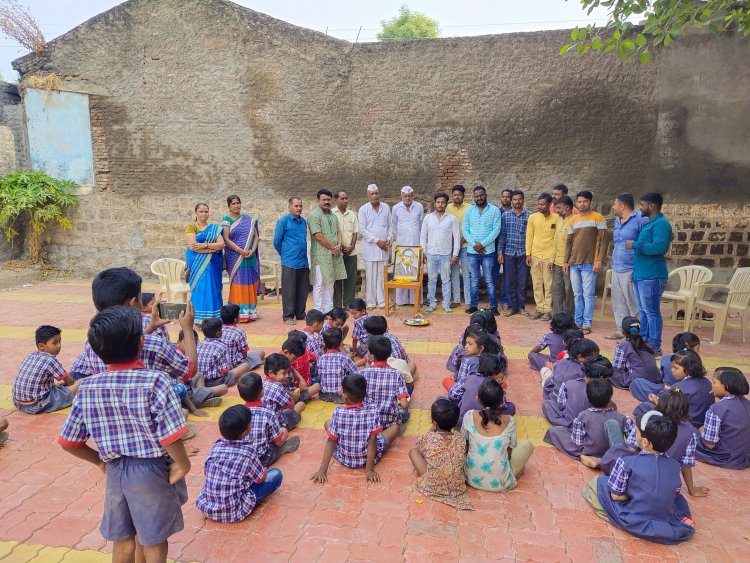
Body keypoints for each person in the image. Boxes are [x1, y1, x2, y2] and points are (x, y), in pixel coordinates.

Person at [58, 306, 191, 562]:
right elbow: (170, 435)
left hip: (115, 471)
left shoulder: (86, 387)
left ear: (96, 351)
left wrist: (99, 461)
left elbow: (68, 442)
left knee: (122, 543)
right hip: (151, 471)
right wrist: (183, 464)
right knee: (153, 541)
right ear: (142, 342)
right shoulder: (156, 381)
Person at [583, 412, 696, 545]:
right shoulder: (675, 467)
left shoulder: (625, 462)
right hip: (664, 519)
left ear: (645, 442)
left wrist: (633, 495)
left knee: (598, 483)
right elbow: (674, 493)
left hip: (634, 519)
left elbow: (616, 497)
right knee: (678, 498)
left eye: (636, 432)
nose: (634, 434)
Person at [68, 267, 197, 384]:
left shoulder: (92, 343)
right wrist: (188, 329)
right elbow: (190, 370)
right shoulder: (155, 344)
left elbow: (123, 341)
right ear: (133, 302)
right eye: (140, 298)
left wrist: (149, 328)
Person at [601, 389, 709, 497]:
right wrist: (692, 489)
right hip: (664, 480)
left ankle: (601, 461)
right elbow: (686, 465)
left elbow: (631, 449)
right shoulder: (690, 433)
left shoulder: (647, 420)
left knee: (613, 428)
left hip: (637, 476)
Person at [195, 405, 283, 522]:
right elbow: (260, 479)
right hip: (235, 510)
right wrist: (264, 470)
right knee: (276, 474)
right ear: (246, 430)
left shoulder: (216, 446)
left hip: (208, 508)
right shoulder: (248, 452)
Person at [310, 373, 401, 484]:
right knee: (395, 427)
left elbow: (331, 441)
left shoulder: (338, 412)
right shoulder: (373, 411)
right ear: (365, 393)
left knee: (328, 423)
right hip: (366, 459)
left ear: (345, 397)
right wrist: (369, 471)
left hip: (344, 458)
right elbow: (373, 441)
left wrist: (322, 470)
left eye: (342, 391)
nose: (340, 392)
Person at [462, 379, 534, 492]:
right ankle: (513, 474)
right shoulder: (509, 421)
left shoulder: (469, 416)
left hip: (470, 479)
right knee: (527, 445)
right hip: (500, 483)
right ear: (501, 402)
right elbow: (509, 454)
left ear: (478, 398)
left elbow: (465, 447)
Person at [544, 378, 633, 468]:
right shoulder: (624, 418)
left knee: (555, 431)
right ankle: (605, 460)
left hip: (590, 452)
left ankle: (586, 457)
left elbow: (577, 442)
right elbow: (632, 442)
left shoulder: (582, 416)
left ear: (588, 398)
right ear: (610, 397)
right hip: (614, 454)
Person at [626, 192, 673, 353]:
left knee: (651, 310)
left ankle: (654, 345)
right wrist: (635, 273)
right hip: (642, 274)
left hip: (652, 275)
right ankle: (644, 340)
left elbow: (659, 248)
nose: (640, 208)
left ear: (651, 205)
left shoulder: (661, 224)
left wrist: (635, 245)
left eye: (642, 205)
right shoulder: (649, 222)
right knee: (643, 310)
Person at [409, 399, 474, 510]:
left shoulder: (430, 437)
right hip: (457, 488)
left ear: (434, 422)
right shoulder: (460, 438)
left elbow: (419, 446)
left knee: (413, 451)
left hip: (432, 486)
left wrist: (432, 429)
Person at [563, 191, 608, 334]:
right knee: (577, 294)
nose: (582, 204)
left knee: (588, 294)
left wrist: (599, 260)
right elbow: (569, 243)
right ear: (576, 203)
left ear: (590, 202)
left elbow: (604, 241)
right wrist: (565, 261)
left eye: (585, 201)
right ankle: (578, 322)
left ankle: (587, 324)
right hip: (574, 263)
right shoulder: (573, 220)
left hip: (590, 263)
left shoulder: (598, 218)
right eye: (580, 201)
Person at [633, 350, 713, 428]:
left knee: (644, 407)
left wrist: (655, 401)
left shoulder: (679, 387)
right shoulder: (707, 382)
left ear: (688, 369)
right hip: (702, 423)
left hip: (684, 424)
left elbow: (670, 411)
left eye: (676, 368)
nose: (672, 370)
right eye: (672, 367)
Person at [605, 193, 647, 340]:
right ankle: (620, 330)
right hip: (617, 266)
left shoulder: (641, 220)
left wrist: (638, 269)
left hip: (631, 268)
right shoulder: (617, 220)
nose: (613, 207)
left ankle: (635, 334)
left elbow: (644, 243)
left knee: (633, 303)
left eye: (615, 204)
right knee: (618, 302)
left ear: (622, 206)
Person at [13, 325, 80, 414]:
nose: (59, 345)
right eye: (54, 343)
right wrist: (70, 385)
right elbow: (70, 382)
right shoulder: (50, 360)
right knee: (81, 382)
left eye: (60, 342)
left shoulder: (30, 356)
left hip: (19, 403)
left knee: (60, 385)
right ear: (41, 346)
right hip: (37, 405)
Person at [237, 372, 301, 467]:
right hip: (263, 458)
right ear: (262, 391)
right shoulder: (268, 413)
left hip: (244, 457)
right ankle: (280, 451)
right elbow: (278, 442)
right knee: (284, 431)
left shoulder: (238, 412)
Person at [695, 367, 750, 469]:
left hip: (727, 457)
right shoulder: (747, 403)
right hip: (746, 456)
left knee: (688, 437)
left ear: (726, 386)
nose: (712, 386)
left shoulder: (716, 409)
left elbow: (709, 444)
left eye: (714, 382)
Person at [543, 348, 612, 428]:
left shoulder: (569, 383)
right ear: (603, 377)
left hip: (570, 422)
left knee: (548, 404)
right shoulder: (604, 389)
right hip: (592, 424)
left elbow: (561, 405)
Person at [462, 185, 502, 315]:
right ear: (474, 197)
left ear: (485, 195)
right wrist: (474, 244)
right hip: (472, 251)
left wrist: (482, 244)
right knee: (474, 279)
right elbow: (465, 229)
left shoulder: (494, 210)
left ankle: (494, 306)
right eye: (477, 196)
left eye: (481, 195)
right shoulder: (469, 211)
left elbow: (496, 229)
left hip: (488, 251)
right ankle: (473, 305)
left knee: (489, 279)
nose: (479, 198)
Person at [221, 195, 261, 322]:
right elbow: (226, 239)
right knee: (238, 284)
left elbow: (255, 237)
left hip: (249, 257)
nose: (236, 206)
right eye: (233, 204)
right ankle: (237, 314)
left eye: (238, 203)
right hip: (235, 258)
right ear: (229, 206)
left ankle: (251, 313)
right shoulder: (226, 220)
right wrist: (240, 251)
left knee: (250, 283)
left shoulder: (248, 220)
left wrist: (252, 250)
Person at [420, 192, 460, 313]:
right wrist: (423, 252)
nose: (440, 204)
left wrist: (455, 254)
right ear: (435, 203)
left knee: (446, 279)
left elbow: (457, 237)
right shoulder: (428, 218)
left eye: (443, 202)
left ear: (446, 204)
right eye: (438, 202)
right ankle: (431, 303)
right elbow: (423, 237)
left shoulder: (452, 219)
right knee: (431, 280)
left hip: (446, 254)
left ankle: (446, 303)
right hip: (431, 254)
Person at [185, 203, 225, 323]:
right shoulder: (191, 227)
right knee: (200, 290)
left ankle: (214, 319)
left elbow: (221, 244)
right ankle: (198, 320)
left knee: (213, 290)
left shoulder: (214, 228)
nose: (204, 214)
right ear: (196, 213)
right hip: (198, 265)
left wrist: (205, 245)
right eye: (201, 212)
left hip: (213, 265)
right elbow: (193, 247)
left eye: (206, 212)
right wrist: (212, 249)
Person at [308, 189, 347, 313]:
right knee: (319, 283)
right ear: (317, 201)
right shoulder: (314, 215)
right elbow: (318, 235)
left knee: (330, 282)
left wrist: (339, 245)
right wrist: (333, 247)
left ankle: (328, 309)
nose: (326, 202)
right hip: (320, 255)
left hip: (333, 255)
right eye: (323, 200)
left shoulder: (332, 215)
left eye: (328, 200)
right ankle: (318, 310)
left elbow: (338, 232)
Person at [273, 196, 309, 325]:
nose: (299, 208)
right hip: (289, 261)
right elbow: (276, 241)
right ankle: (288, 316)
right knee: (289, 290)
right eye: (296, 206)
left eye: (300, 206)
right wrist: (285, 255)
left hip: (303, 261)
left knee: (303, 289)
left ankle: (300, 314)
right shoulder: (283, 221)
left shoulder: (304, 222)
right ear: (290, 207)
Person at [361, 336, 410, 427]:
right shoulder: (397, 374)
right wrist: (403, 411)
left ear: (372, 356)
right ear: (389, 354)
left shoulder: (362, 373)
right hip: (389, 422)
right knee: (407, 415)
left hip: (368, 421)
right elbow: (404, 404)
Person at [497, 190, 531, 318]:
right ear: (511, 201)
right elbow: (503, 236)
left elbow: (531, 236)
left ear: (523, 200)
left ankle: (521, 307)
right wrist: (500, 252)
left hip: (523, 253)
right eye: (515, 199)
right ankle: (511, 307)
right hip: (509, 253)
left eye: (519, 199)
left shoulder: (529, 215)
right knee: (510, 281)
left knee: (522, 282)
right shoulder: (505, 216)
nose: (517, 202)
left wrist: (529, 254)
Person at [523, 193, 557, 321]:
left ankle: (547, 310)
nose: (540, 206)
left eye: (542, 204)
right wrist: (528, 254)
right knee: (537, 284)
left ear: (549, 204)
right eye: (539, 204)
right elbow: (529, 236)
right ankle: (539, 308)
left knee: (548, 285)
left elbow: (556, 240)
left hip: (549, 256)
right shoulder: (533, 217)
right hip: (535, 255)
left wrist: (553, 259)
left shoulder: (556, 218)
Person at [458, 353, 515, 425]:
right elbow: (501, 405)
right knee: (511, 407)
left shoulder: (470, 377)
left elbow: (453, 394)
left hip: (461, 420)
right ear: (495, 372)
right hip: (484, 421)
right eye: (502, 371)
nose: (504, 374)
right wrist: (500, 387)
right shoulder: (495, 386)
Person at [358, 184, 391, 309]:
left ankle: (382, 301)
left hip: (384, 249)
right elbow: (362, 229)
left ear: (379, 194)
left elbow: (390, 225)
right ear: (368, 195)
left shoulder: (386, 207)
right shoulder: (363, 209)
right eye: (371, 194)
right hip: (371, 249)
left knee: (382, 277)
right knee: (371, 277)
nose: (374, 196)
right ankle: (371, 302)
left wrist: (388, 239)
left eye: (376, 193)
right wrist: (377, 241)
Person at [391, 186, 424, 306]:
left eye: (410, 195)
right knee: (401, 272)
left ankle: (415, 300)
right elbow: (394, 225)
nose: (408, 198)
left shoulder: (419, 206)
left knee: (415, 273)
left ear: (413, 195)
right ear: (401, 196)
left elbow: (421, 224)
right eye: (405, 195)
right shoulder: (395, 208)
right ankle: (401, 301)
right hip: (402, 245)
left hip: (415, 245)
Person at [610, 317, 661, 389]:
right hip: (655, 379)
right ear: (639, 331)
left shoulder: (622, 346)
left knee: (610, 373)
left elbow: (617, 367)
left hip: (638, 381)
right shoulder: (647, 344)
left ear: (623, 331)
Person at [196, 318, 250, 387]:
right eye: (222, 330)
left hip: (201, 381)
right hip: (217, 381)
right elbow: (223, 372)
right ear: (218, 333)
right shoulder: (222, 347)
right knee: (245, 365)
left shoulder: (199, 345)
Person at [263, 353, 306, 431]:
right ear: (271, 373)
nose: (287, 376)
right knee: (301, 405)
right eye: (284, 373)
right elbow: (292, 404)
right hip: (277, 424)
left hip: (263, 422)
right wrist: (286, 391)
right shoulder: (278, 387)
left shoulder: (262, 382)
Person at [332, 190, 360, 309]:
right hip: (338, 252)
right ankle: (337, 305)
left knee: (350, 279)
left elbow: (355, 233)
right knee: (338, 279)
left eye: (346, 198)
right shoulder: (331, 213)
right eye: (342, 198)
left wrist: (352, 246)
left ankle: (348, 304)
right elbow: (333, 233)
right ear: (336, 200)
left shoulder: (351, 214)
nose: (345, 201)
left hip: (351, 252)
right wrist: (342, 246)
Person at [445, 185, 472, 307]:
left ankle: (468, 301)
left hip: (466, 245)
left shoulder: (470, 208)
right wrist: (454, 243)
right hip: (451, 246)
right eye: (455, 195)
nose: (457, 197)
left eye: (459, 194)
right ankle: (456, 300)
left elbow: (472, 227)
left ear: (463, 195)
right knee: (454, 273)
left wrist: (461, 241)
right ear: (452, 195)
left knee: (466, 273)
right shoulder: (447, 208)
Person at [541, 328, 585, 400]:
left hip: (560, 392)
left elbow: (557, 372)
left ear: (564, 342)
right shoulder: (586, 357)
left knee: (544, 370)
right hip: (577, 392)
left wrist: (551, 367)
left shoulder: (563, 356)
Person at [318, 328, 358, 403]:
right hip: (340, 395)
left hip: (324, 395)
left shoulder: (321, 358)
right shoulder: (344, 357)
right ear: (340, 344)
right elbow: (355, 373)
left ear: (324, 343)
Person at [551, 196, 575, 317]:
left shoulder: (575, 220)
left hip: (569, 263)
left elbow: (573, 244)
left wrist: (567, 261)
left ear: (567, 207)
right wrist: (552, 259)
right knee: (556, 289)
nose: (556, 210)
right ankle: (557, 316)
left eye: (559, 208)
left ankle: (569, 317)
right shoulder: (559, 220)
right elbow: (555, 241)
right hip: (557, 262)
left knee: (568, 290)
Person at [220, 304, 263, 371]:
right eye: (239, 314)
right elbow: (244, 354)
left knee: (255, 355)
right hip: (236, 363)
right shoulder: (239, 332)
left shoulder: (219, 330)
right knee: (261, 353)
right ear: (235, 320)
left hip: (223, 364)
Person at [494, 188, 514, 309]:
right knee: (493, 275)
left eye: (508, 197)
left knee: (508, 276)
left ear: (511, 199)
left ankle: (505, 300)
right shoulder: (496, 212)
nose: (505, 199)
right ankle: (493, 301)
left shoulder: (514, 213)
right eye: (503, 196)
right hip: (495, 247)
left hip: (510, 249)